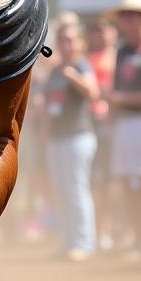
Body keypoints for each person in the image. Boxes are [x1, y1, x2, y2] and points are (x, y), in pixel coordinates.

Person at [106, 0, 141, 252]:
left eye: (130, 16)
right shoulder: (122, 51)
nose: (125, 21)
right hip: (125, 123)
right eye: (123, 16)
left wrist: (121, 98)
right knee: (128, 183)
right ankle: (139, 236)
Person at [43, 23, 99, 260]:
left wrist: (75, 78)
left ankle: (84, 243)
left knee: (76, 189)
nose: (67, 45)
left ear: (81, 43)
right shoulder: (55, 70)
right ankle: (68, 242)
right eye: (63, 39)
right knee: (61, 191)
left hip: (78, 136)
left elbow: (93, 92)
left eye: (71, 40)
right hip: (56, 137)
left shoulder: (81, 65)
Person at [86, 17, 117, 250]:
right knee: (96, 180)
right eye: (96, 30)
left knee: (110, 180)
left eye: (103, 30)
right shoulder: (87, 58)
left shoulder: (117, 57)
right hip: (90, 121)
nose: (100, 35)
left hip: (111, 122)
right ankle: (100, 229)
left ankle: (112, 228)